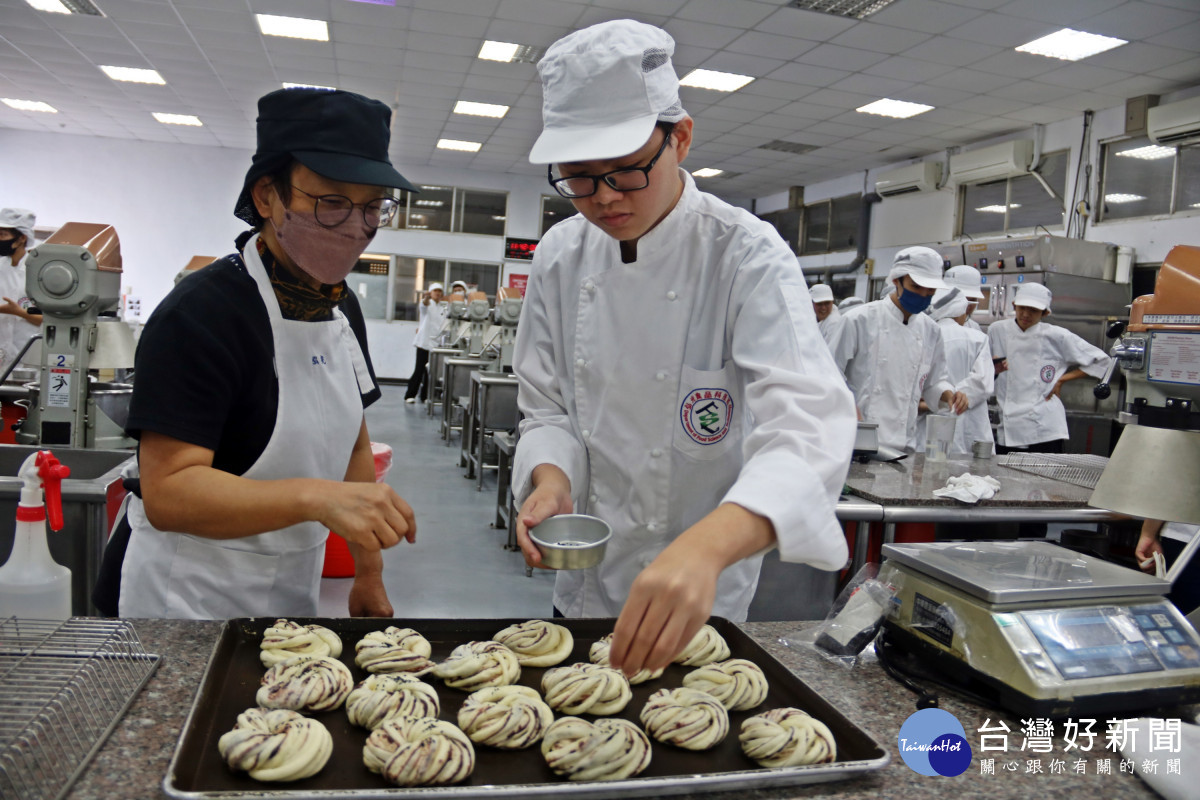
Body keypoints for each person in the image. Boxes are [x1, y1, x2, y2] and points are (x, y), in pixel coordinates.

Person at [512, 20, 856, 677]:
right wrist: (551, 479)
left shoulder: (744, 253)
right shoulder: (560, 254)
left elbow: (808, 428)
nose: (606, 198)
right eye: (580, 179)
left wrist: (705, 547)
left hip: (701, 601)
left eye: (627, 170)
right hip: (585, 587)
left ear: (682, 137)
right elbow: (548, 409)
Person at [116, 88, 418, 619]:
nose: (354, 225)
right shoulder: (201, 314)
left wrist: (368, 572)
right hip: (187, 600)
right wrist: (316, 498)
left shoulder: (340, 307)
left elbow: (352, 446)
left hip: (290, 602)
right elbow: (170, 492)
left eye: (372, 207)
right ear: (266, 197)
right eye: (331, 202)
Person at [827, 247, 967, 454]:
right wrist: (847, 406)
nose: (923, 294)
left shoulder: (931, 330)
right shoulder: (859, 320)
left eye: (930, 290)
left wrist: (949, 395)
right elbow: (829, 373)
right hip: (855, 441)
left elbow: (935, 381)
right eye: (916, 286)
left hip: (904, 445)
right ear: (896, 281)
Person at [988, 283, 1108, 454]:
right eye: (1022, 308)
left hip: (1043, 426)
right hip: (1008, 425)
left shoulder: (1057, 336)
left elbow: (1102, 361)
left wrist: (1061, 379)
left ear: (1045, 313)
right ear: (1014, 305)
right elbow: (985, 367)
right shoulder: (997, 330)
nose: (1026, 314)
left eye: (1034, 310)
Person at [916, 287, 994, 456]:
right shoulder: (978, 338)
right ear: (961, 311)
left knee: (930, 474)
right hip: (971, 426)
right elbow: (983, 382)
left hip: (928, 428)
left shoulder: (922, 337)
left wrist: (942, 398)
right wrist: (958, 396)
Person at [0, 208, 43, 372]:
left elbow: (50, 320)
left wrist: (18, 312)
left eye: (3, 235)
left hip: (29, 358)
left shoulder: (38, 271)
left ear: (21, 238)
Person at [1136, 520, 1200, 615]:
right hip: (1186, 538)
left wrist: (1148, 534)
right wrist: (1148, 534)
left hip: (1185, 536)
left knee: (1178, 618)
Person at [404, 282, 445, 405]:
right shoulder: (427, 304)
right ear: (431, 293)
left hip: (435, 344)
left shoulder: (442, 308)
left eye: (439, 291)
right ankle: (410, 395)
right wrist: (426, 297)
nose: (437, 293)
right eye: (435, 291)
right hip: (423, 342)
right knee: (419, 369)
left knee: (431, 372)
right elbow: (424, 304)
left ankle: (425, 396)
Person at [943, 264, 984, 331]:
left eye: (972, 300)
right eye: (964, 299)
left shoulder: (973, 327)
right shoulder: (931, 323)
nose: (968, 306)